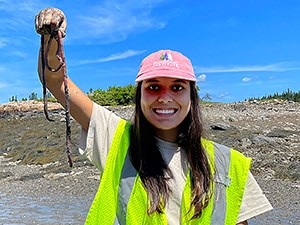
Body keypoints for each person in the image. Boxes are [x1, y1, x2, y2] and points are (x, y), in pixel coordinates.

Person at [35, 8, 273, 225]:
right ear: (140, 96)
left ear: (193, 96)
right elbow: (56, 81)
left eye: (178, 87)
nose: (165, 97)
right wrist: (51, 36)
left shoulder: (229, 164)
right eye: (153, 87)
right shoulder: (115, 139)